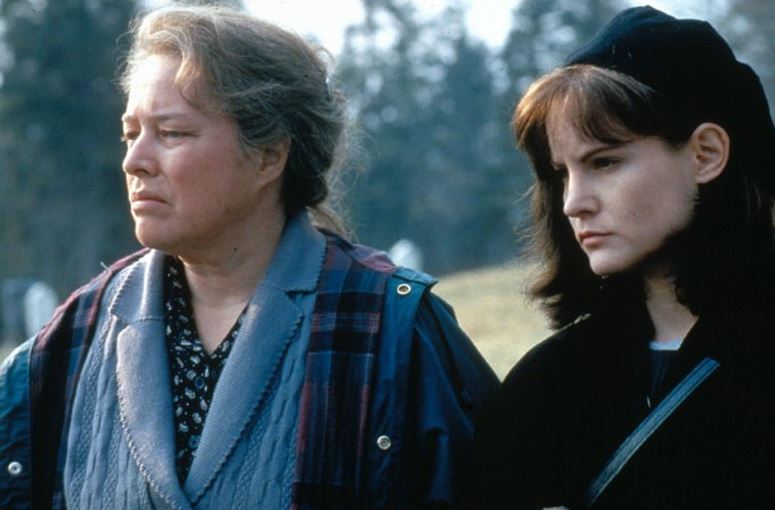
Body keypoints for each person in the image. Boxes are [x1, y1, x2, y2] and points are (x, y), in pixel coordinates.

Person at [0, 5, 498, 509]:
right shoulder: (72, 338)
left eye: (171, 133)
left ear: (268, 156)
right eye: (131, 134)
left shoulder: (391, 331)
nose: (135, 161)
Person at [472, 6, 775, 510]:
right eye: (562, 173)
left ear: (705, 154)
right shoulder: (546, 390)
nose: (573, 203)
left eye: (605, 161)